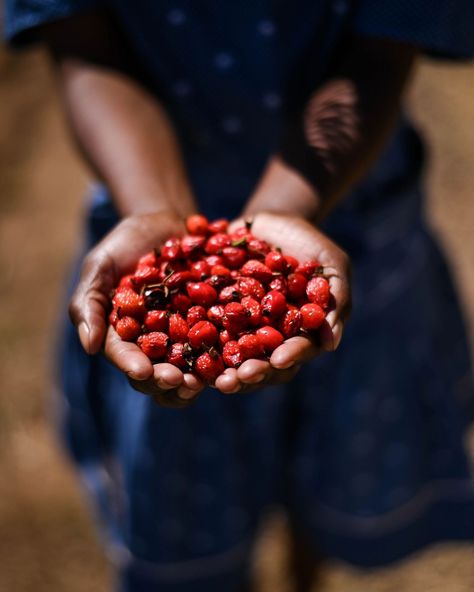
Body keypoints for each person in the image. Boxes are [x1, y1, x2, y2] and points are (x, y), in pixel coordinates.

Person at [5, 1, 474, 591]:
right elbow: (83, 50)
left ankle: (307, 573)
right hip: (148, 185)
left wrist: (280, 209)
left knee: (328, 480)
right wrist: (155, 209)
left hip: (357, 216)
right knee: (195, 502)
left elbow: (381, 50)